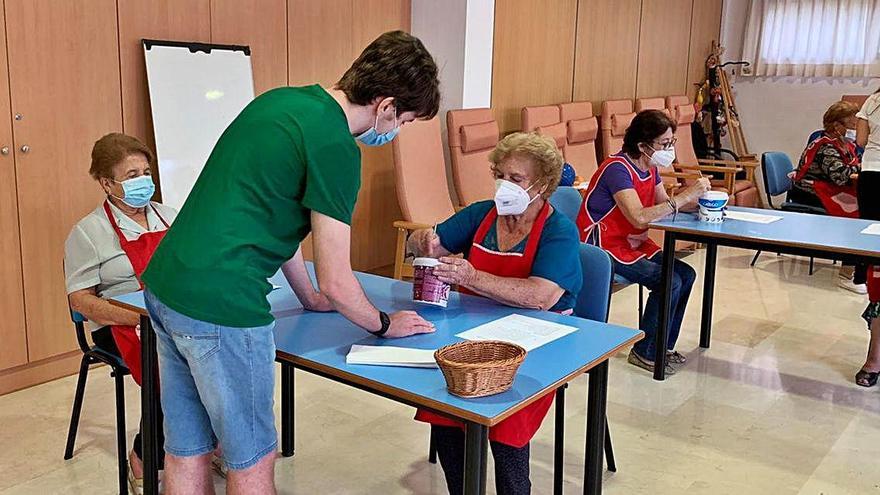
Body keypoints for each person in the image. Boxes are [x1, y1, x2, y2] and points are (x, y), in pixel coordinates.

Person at [139, 31, 440, 494]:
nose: (397, 131)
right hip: (224, 306)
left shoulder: (281, 102)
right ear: (385, 106)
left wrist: (307, 296)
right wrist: (383, 324)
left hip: (166, 285)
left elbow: (272, 218)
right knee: (252, 458)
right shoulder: (336, 147)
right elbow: (339, 280)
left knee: (186, 448)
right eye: (405, 119)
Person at [407, 132, 582, 495]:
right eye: (500, 175)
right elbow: (430, 243)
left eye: (515, 179)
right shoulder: (481, 215)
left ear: (543, 184)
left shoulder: (558, 231)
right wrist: (421, 240)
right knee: (443, 404)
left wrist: (471, 276)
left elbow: (540, 296)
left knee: (507, 420)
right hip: (472, 336)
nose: (504, 185)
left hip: (537, 346)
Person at [64, 133, 177, 494]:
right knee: (171, 368)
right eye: (131, 175)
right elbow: (80, 300)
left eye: (146, 171)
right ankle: (145, 455)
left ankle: (203, 444)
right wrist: (138, 317)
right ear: (106, 183)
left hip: (171, 316)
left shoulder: (170, 216)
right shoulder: (89, 231)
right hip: (119, 323)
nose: (143, 180)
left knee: (218, 354)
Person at [576, 110, 710, 376]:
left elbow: (665, 205)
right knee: (669, 280)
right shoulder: (617, 169)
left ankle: (663, 346)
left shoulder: (650, 168)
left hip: (632, 243)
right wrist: (684, 197)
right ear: (642, 145)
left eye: (671, 143)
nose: (669, 149)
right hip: (602, 246)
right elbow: (638, 217)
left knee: (687, 273)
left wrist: (703, 202)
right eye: (664, 144)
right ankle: (645, 352)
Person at [791, 101, 863, 293]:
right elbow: (841, 176)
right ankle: (847, 274)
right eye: (852, 123)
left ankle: (861, 265)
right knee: (857, 218)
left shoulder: (844, 144)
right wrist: (864, 168)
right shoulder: (825, 146)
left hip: (829, 189)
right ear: (837, 125)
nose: (855, 127)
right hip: (809, 192)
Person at [855, 89, 880, 386]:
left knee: (874, 253)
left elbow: (860, 142)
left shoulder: (872, 100)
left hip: (872, 175)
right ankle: (874, 358)